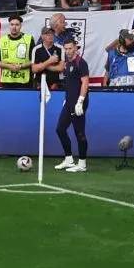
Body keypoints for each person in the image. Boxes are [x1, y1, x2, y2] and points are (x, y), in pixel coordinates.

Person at [48, 26, 90, 171]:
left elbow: (85, 82)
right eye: (66, 49)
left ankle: (82, 164)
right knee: (60, 129)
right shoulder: (67, 64)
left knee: (80, 134)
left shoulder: (81, 63)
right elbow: (71, 84)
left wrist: (80, 101)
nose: (68, 51)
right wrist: (68, 99)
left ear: (76, 48)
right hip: (69, 102)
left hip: (78, 103)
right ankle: (69, 159)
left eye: (70, 48)